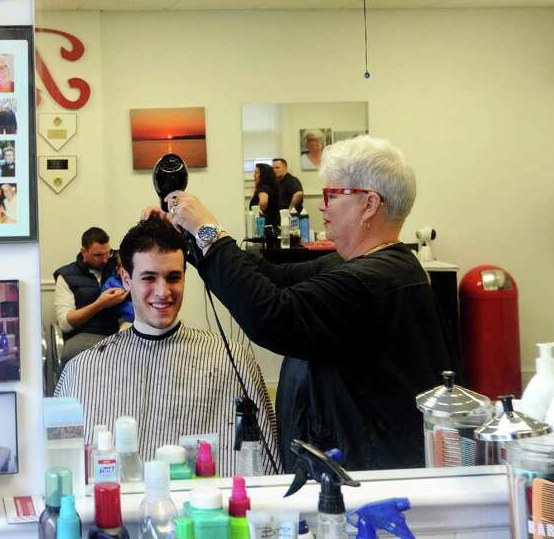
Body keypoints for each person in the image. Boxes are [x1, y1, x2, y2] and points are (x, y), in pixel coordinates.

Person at [160, 135, 452, 470]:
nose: (322, 206)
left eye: (331, 195)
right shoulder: (357, 264)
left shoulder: (369, 281)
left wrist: (209, 231)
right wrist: (190, 237)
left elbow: (271, 314)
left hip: (367, 477)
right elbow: (269, 276)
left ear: (369, 204)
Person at [54, 218, 280, 475]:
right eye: (149, 278)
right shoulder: (82, 369)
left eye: (173, 277)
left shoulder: (231, 358)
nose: (163, 292)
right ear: (126, 280)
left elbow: (264, 466)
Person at [53, 227, 125, 362]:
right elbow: (65, 323)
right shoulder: (66, 276)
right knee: (74, 353)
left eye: (107, 254)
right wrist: (100, 304)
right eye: (98, 255)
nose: (104, 260)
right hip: (87, 333)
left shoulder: (118, 264)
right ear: (84, 252)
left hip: (122, 330)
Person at [250, 162, 282, 228]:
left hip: (265, 228)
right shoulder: (269, 187)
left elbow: (263, 202)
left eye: (257, 173)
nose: (254, 175)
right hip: (273, 225)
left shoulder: (263, 188)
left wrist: (257, 213)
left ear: (264, 175)